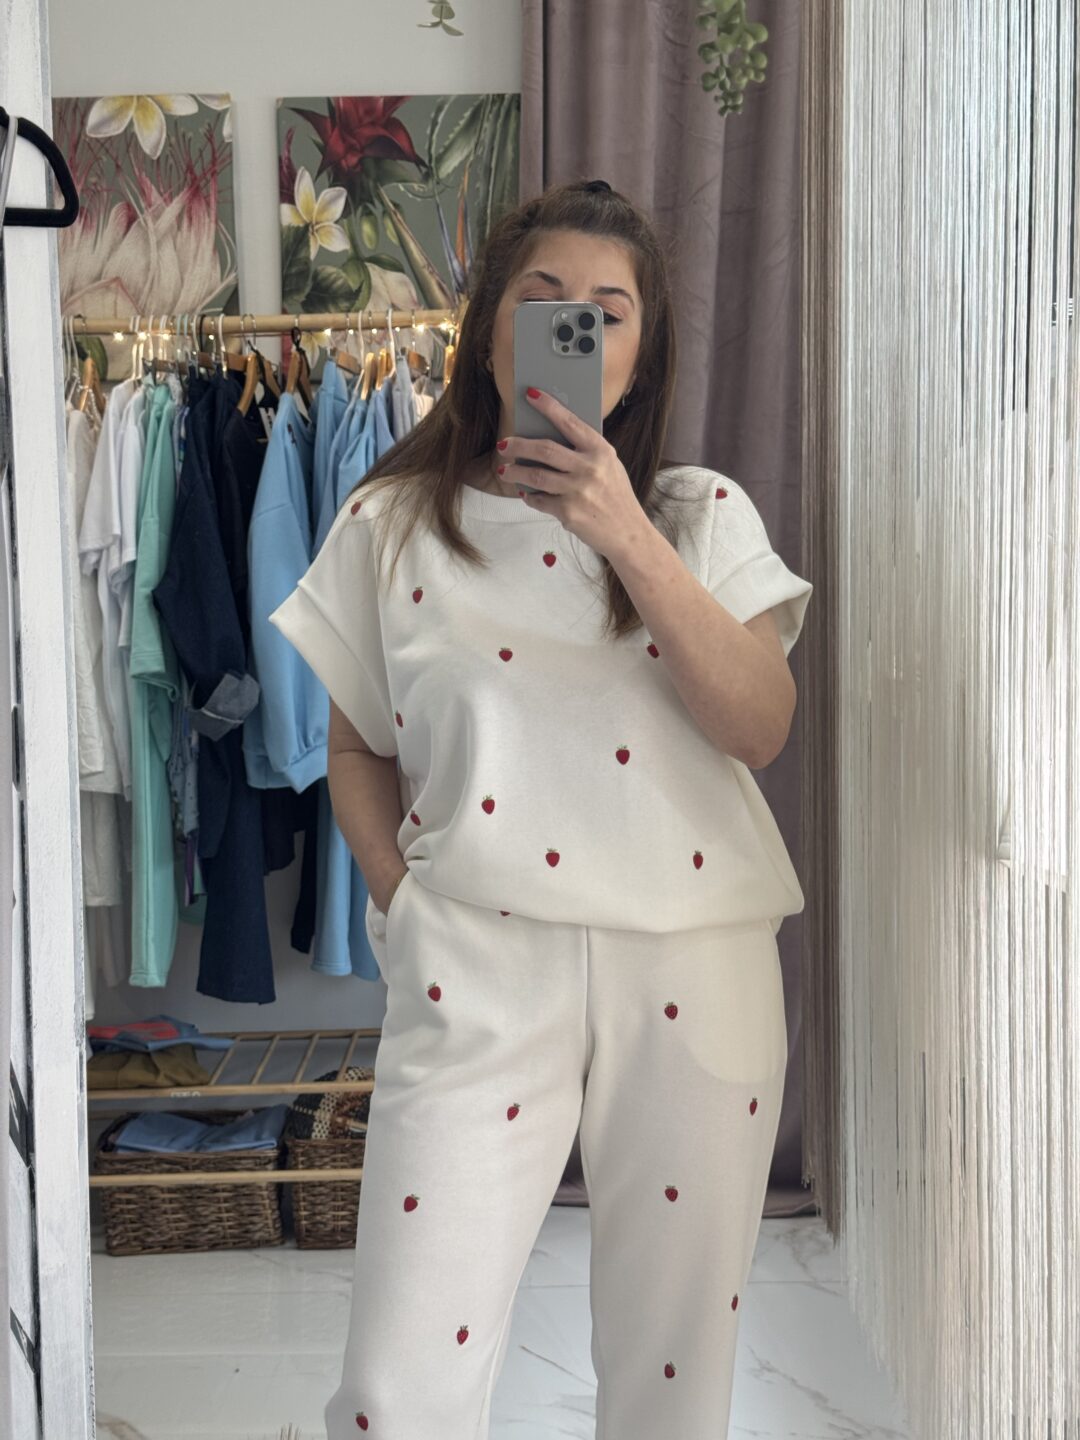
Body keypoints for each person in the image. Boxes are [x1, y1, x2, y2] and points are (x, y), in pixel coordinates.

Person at [271, 178, 812, 1440]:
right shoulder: (391, 524)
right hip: (475, 959)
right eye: (545, 300)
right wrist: (402, 906)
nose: (578, 326)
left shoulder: (699, 516)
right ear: (491, 334)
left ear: (640, 355)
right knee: (397, 1386)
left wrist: (626, 533)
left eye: (609, 312)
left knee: (672, 1384)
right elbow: (357, 746)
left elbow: (761, 727)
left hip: (694, 965)